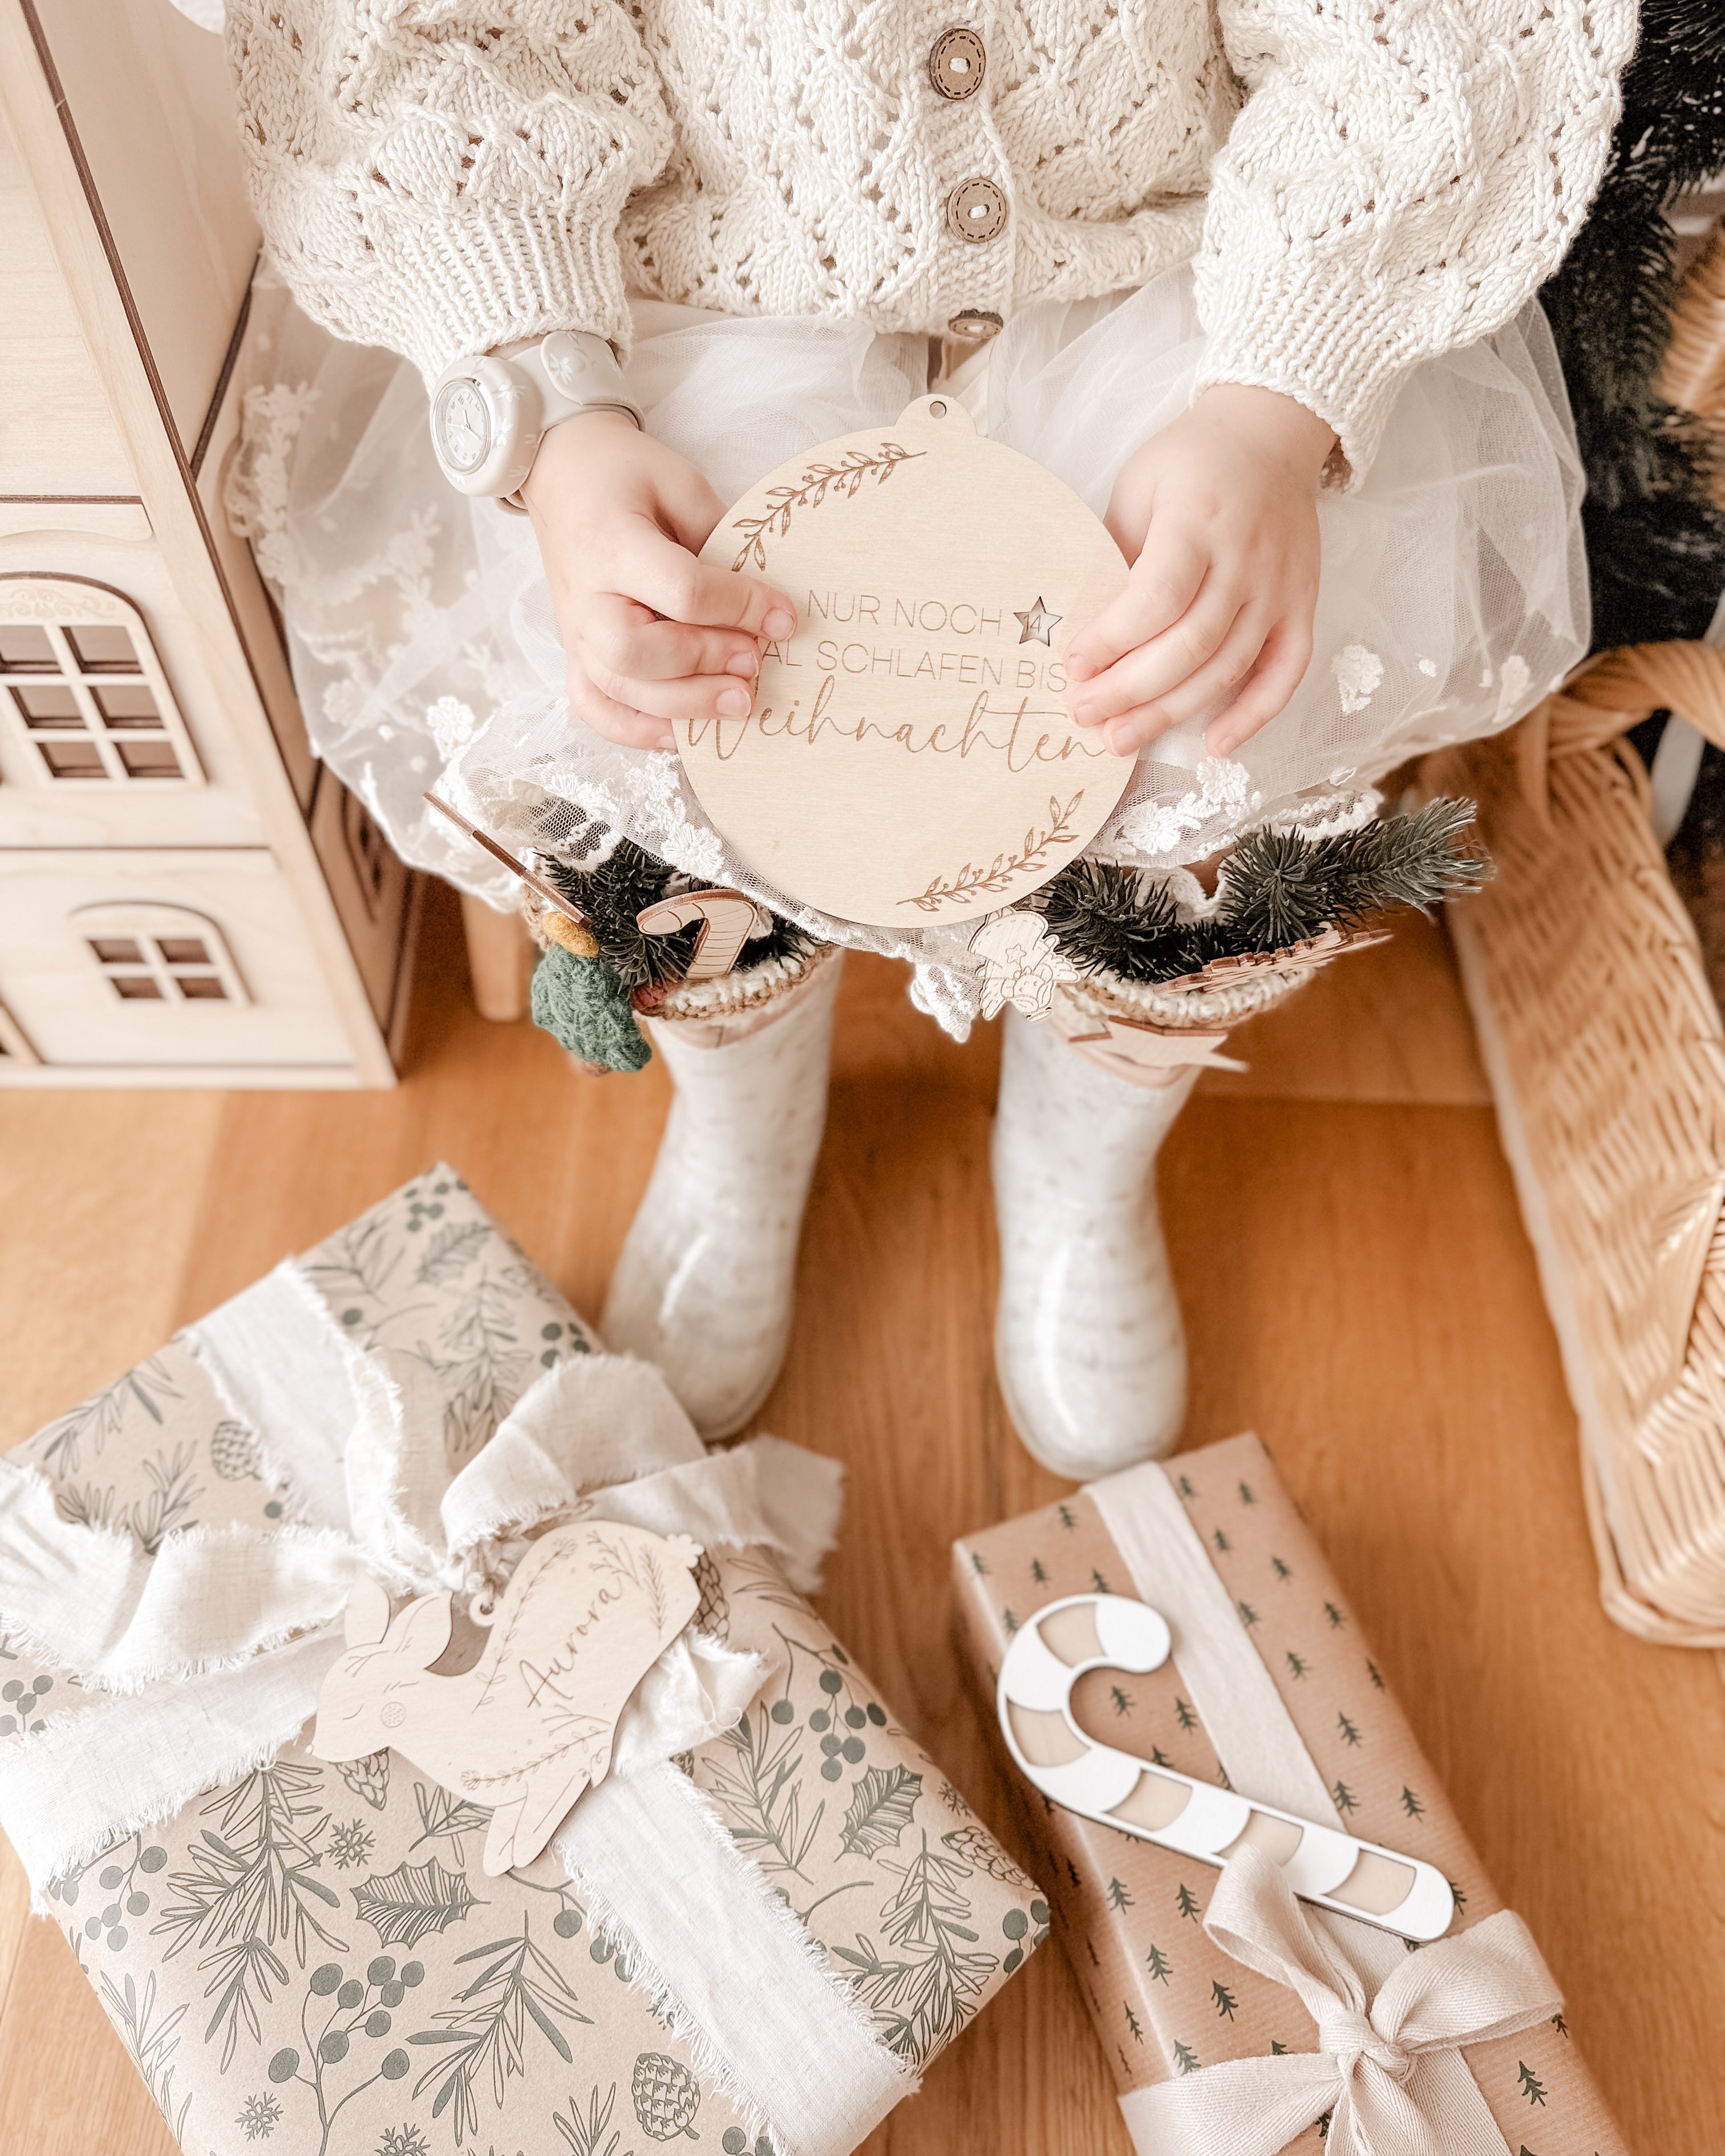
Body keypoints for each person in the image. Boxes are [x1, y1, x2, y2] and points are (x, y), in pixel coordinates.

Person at [217, 0, 1634, 1474]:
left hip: (1179, 290)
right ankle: (744, 1130)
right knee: (679, 719)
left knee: (1192, 721)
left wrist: (1281, 389)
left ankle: (1076, 1174)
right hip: (700, 295)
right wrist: (559, 409)